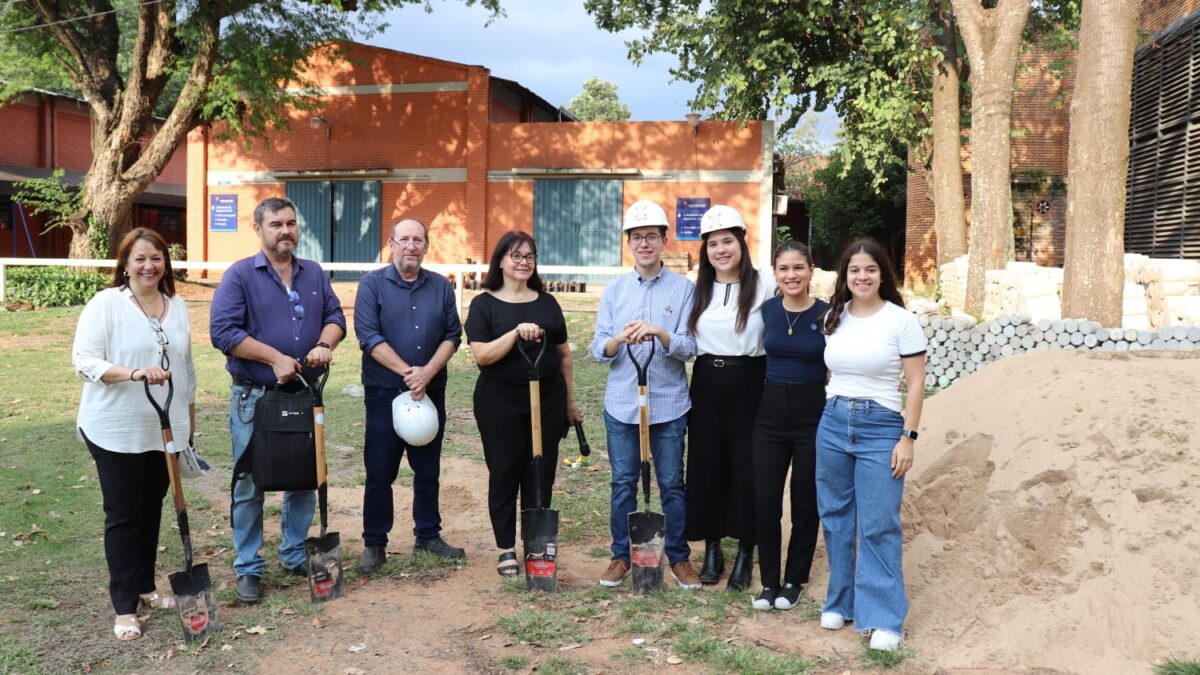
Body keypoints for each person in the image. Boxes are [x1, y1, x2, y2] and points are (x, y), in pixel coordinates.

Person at [210, 197, 346, 604]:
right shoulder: (239, 276)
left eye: (290, 223)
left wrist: (324, 343)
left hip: (306, 396)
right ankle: (249, 567)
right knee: (250, 483)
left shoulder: (314, 273)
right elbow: (223, 332)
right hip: (255, 398)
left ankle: (291, 553)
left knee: (305, 476)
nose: (285, 231)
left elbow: (337, 318)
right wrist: (274, 357)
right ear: (259, 229)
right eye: (276, 224)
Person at [72, 228, 197, 640]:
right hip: (115, 428)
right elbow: (84, 361)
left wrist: (188, 421)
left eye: (156, 258)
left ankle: (145, 586)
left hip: (163, 430)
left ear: (166, 263)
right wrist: (134, 373)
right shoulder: (106, 304)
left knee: (151, 509)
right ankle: (124, 607)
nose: (149, 266)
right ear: (124, 263)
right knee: (124, 516)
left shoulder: (176, 305)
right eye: (140, 258)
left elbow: (186, 368)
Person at [815, 238, 925, 652]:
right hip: (833, 422)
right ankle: (841, 602)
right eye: (854, 270)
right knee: (837, 516)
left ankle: (884, 619)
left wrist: (907, 438)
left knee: (879, 523)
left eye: (870, 270)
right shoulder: (835, 316)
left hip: (881, 428)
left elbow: (915, 384)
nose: (862, 277)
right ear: (845, 275)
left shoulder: (901, 321)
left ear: (883, 274)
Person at [590, 200, 702, 590]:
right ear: (629, 243)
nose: (644, 243)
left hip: (668, 403)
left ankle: (679, 557)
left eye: (651, 236)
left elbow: (690, 347)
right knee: (623, 482)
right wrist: (619, 338)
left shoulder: (684, 289)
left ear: (664, 240)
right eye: (637, 237)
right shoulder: (615, 291)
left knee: (671, 482)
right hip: (622, 403)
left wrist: (659, 332)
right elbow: (597, 350)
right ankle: (621, 556)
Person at [465, 231, 582, 577]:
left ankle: (536, 544)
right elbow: (483, 355)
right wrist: (516, 332)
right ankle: (505, 549)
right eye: (515, 255)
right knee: (504, 472)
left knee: (540, 471)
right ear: (500, 260)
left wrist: (569, 403)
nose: (522, 262)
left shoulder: (547, 303)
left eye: (529, 256)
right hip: (499, 402)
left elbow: (563, 354)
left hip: (547, 399)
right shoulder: (483, 305)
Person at [354, 218, 465, 573]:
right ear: (391, 244)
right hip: (384, 393)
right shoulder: (371, 285)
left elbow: (452, 335)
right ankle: (375, 543)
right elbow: (368, 336)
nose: (411, 246)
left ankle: (428, 536)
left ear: (427, 246)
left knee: (427, 469)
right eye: (404, 240)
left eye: (418, 240)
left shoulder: (441, 287)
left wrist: (427, 372)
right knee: (380, 471)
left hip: (429, 393)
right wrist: (407, 372)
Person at [685, 204, 774, 591]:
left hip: (749, 381)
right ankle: (711, 547)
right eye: (713, 244)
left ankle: (745, 551)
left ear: (741, 242)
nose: (721, 250)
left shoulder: (765, 284)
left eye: (727, 241)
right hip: (706, 381)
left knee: (747, 469)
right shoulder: (698, 288)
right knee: (706, 467)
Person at [750, 241, 828, 611]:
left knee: (804, 502)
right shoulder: (766, 311)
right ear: (775, 273)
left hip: (812, 413)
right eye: (784, 269)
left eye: (799, 268)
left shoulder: (830, 314)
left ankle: (794, 579)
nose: (791, 275)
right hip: (769, 415)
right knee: (765, 500)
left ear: (811, 270)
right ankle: (768, 582)